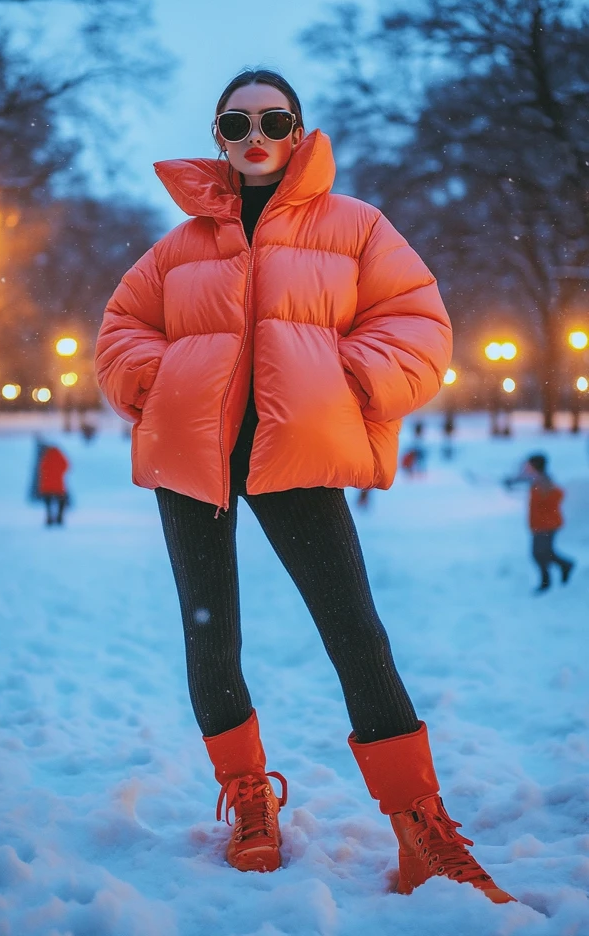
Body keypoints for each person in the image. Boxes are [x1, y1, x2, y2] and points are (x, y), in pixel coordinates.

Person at [95, 68, 514, 903]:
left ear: (298, 130)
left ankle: (419, 827)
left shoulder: (354, 227)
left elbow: (419, 323)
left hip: (295, 456)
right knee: (210, 639)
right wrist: (159, 379)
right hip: (194, 463)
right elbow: (120, 328)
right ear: (217, 135)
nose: (256, 134)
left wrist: (348, 381)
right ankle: (250, 802)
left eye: (274, 119)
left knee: (355, 633)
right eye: (236, 122)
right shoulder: (178, 245)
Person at [505, 453, 574, 592]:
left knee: (539, 554)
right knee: (546, 552)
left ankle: (547, 580)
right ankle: (564, 567)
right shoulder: (537, 480)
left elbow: (556, 495)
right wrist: (511, 482)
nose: (526, 467)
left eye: (529, 465)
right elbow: (522, 480)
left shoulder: (543, 481)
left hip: (547, 525)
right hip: (540, 524)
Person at [37, 444, 69, 526]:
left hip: (47, 486)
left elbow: (41, 469)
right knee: (61, 502)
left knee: (48, 505)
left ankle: (49, 519)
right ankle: (59, 518)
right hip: (58, 485)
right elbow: (67, 465)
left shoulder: (45, 456)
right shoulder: (60, 455)